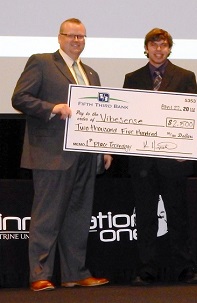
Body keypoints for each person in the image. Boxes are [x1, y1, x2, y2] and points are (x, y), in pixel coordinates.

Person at [12, 18, 112, 291]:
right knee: (47, 217)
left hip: (85, 155)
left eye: (81, 37)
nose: (76, 41)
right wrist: (52, 108)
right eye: (71, 36)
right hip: (51, 154)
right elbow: (19, 98)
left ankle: (74, 273)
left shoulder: (91, 74)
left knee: (78, 217)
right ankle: (39, 275)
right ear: (59, 37)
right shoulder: (42, 62)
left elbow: (98, 117)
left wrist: (102, 148)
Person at [123, 28, 197, 286]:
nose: (159, 49)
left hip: (175, 162)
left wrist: (190, 139)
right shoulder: (132, 78)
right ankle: (147, 269)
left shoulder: (185, 76)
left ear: (170, 48)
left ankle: (185, 267)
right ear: (146, 47)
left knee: (177, 216)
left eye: (164, 45)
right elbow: (127, 118)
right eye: (154, 45)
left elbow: (191, 116)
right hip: (143, 162)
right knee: (145, 217)